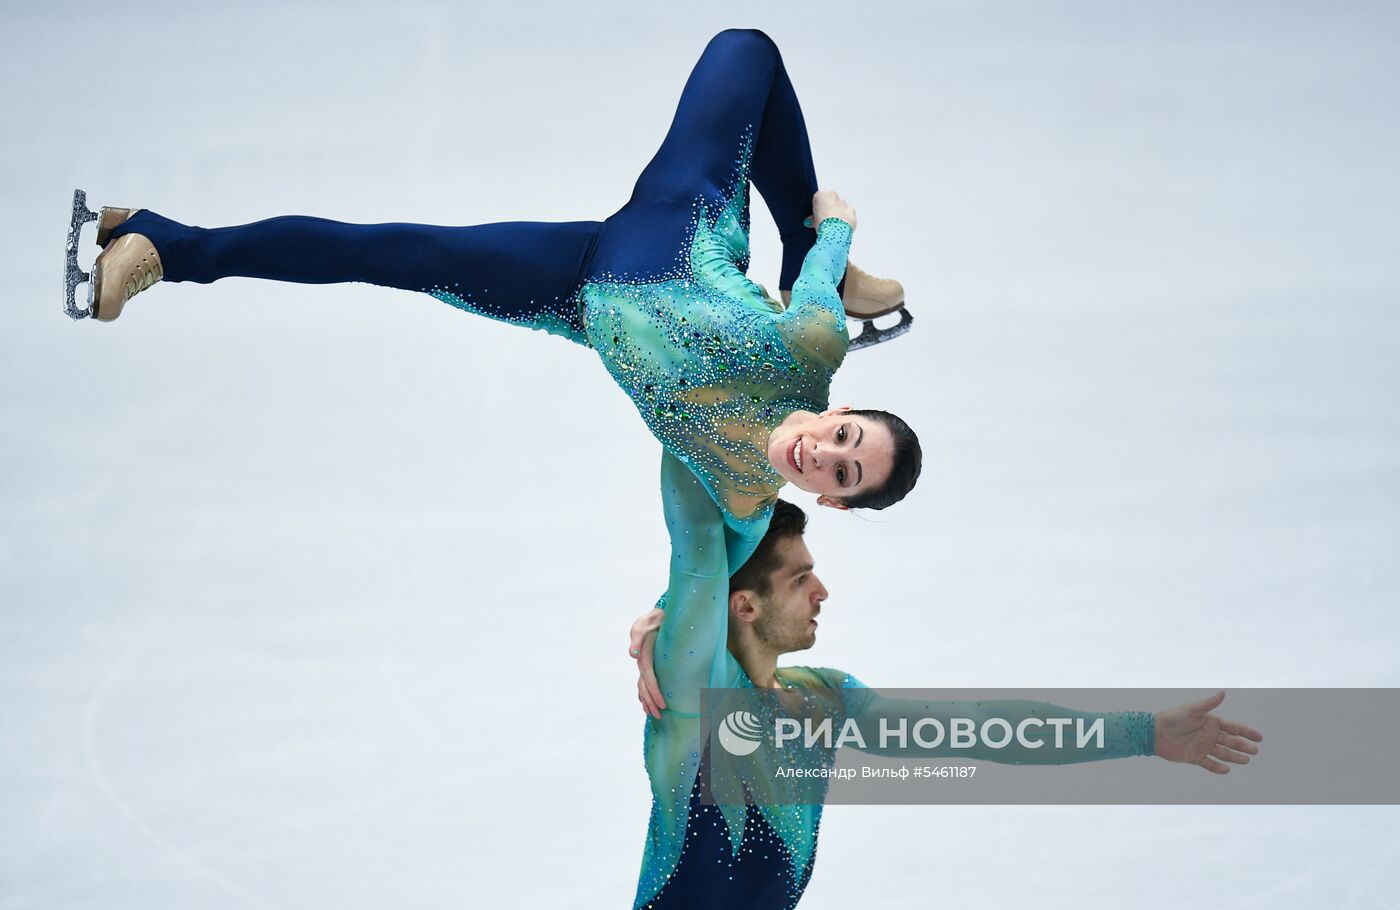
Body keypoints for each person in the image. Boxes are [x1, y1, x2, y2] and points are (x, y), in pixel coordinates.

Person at [75, 28, 923, 639]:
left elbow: (699, 576)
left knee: (392, 255)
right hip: (679, 225)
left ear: (831, 502)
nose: (825, 453)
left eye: (843, 474)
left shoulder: (737, 500)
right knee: (747, 48)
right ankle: (173, 246)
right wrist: (830, 243)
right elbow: (825, 230)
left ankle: (158, 244)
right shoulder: (814, 344)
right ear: (838, 408)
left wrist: (660, 633)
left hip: (580, 292)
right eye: (845, 435)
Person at [626, 495, 1263, 909]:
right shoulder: (700, 698)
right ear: (745, 605)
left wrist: (1141, 733)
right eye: (800, 579)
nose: (823, 592)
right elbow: (697, 545)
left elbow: (981, 730)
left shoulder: (823, 701)